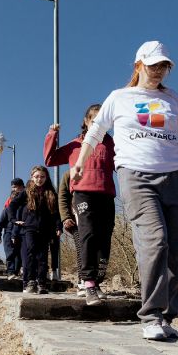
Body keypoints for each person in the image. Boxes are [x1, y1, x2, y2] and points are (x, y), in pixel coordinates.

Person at [72, 40, 178, 340]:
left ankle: (166, 316)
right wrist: (81, 162)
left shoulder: (173, 99)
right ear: (138, 65)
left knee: (177, 251)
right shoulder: (119, 98)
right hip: (136, 175)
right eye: (153, 65)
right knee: (155, 241)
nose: (158, 71)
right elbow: (96, 131)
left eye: (164, 66)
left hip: (176, 177)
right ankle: (151, 315)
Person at [44, 104, 116, 306]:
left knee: (104, 239)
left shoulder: (111, 144)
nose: (98, 124)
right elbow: (50, 160)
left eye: (103, 121)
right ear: (86, 121)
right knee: (88, 236)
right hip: (84, 194)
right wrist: (52, 135)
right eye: (94, 120)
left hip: (107, 195)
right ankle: (88, 282)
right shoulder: (76, 145)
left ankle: (97, 282)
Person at [12, 166, 60, 295]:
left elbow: (55, 213)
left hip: (45, 229)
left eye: (42, 176)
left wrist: (58, 227)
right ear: (32, 177)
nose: (39, 179)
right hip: (30, 228)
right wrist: (14, 220)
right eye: (37, 176)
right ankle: (31, 281)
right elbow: (13, 205)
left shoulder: (51, 193)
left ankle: (42, 284)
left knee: (42, 256)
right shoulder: (26, 192)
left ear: (46, 177)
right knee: (31, 253)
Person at [0, 178, 25, 280]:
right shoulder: (7, 209)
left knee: (18, 254)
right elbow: (0, 222)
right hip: (8, 233)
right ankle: (10, 272)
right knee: (10, 253)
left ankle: (16, 272)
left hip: (19, 233)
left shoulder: (22, 209)